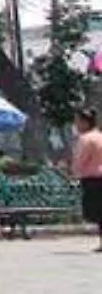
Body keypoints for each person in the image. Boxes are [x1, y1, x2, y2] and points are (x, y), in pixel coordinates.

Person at [73, 107, 102, 253]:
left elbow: (80, 160)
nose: (76, 125)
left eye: (77, 121)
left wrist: (73, 172)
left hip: (93, 179)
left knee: (97, 211)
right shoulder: (100, 136)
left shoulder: (85, 139)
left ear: (85, 122)